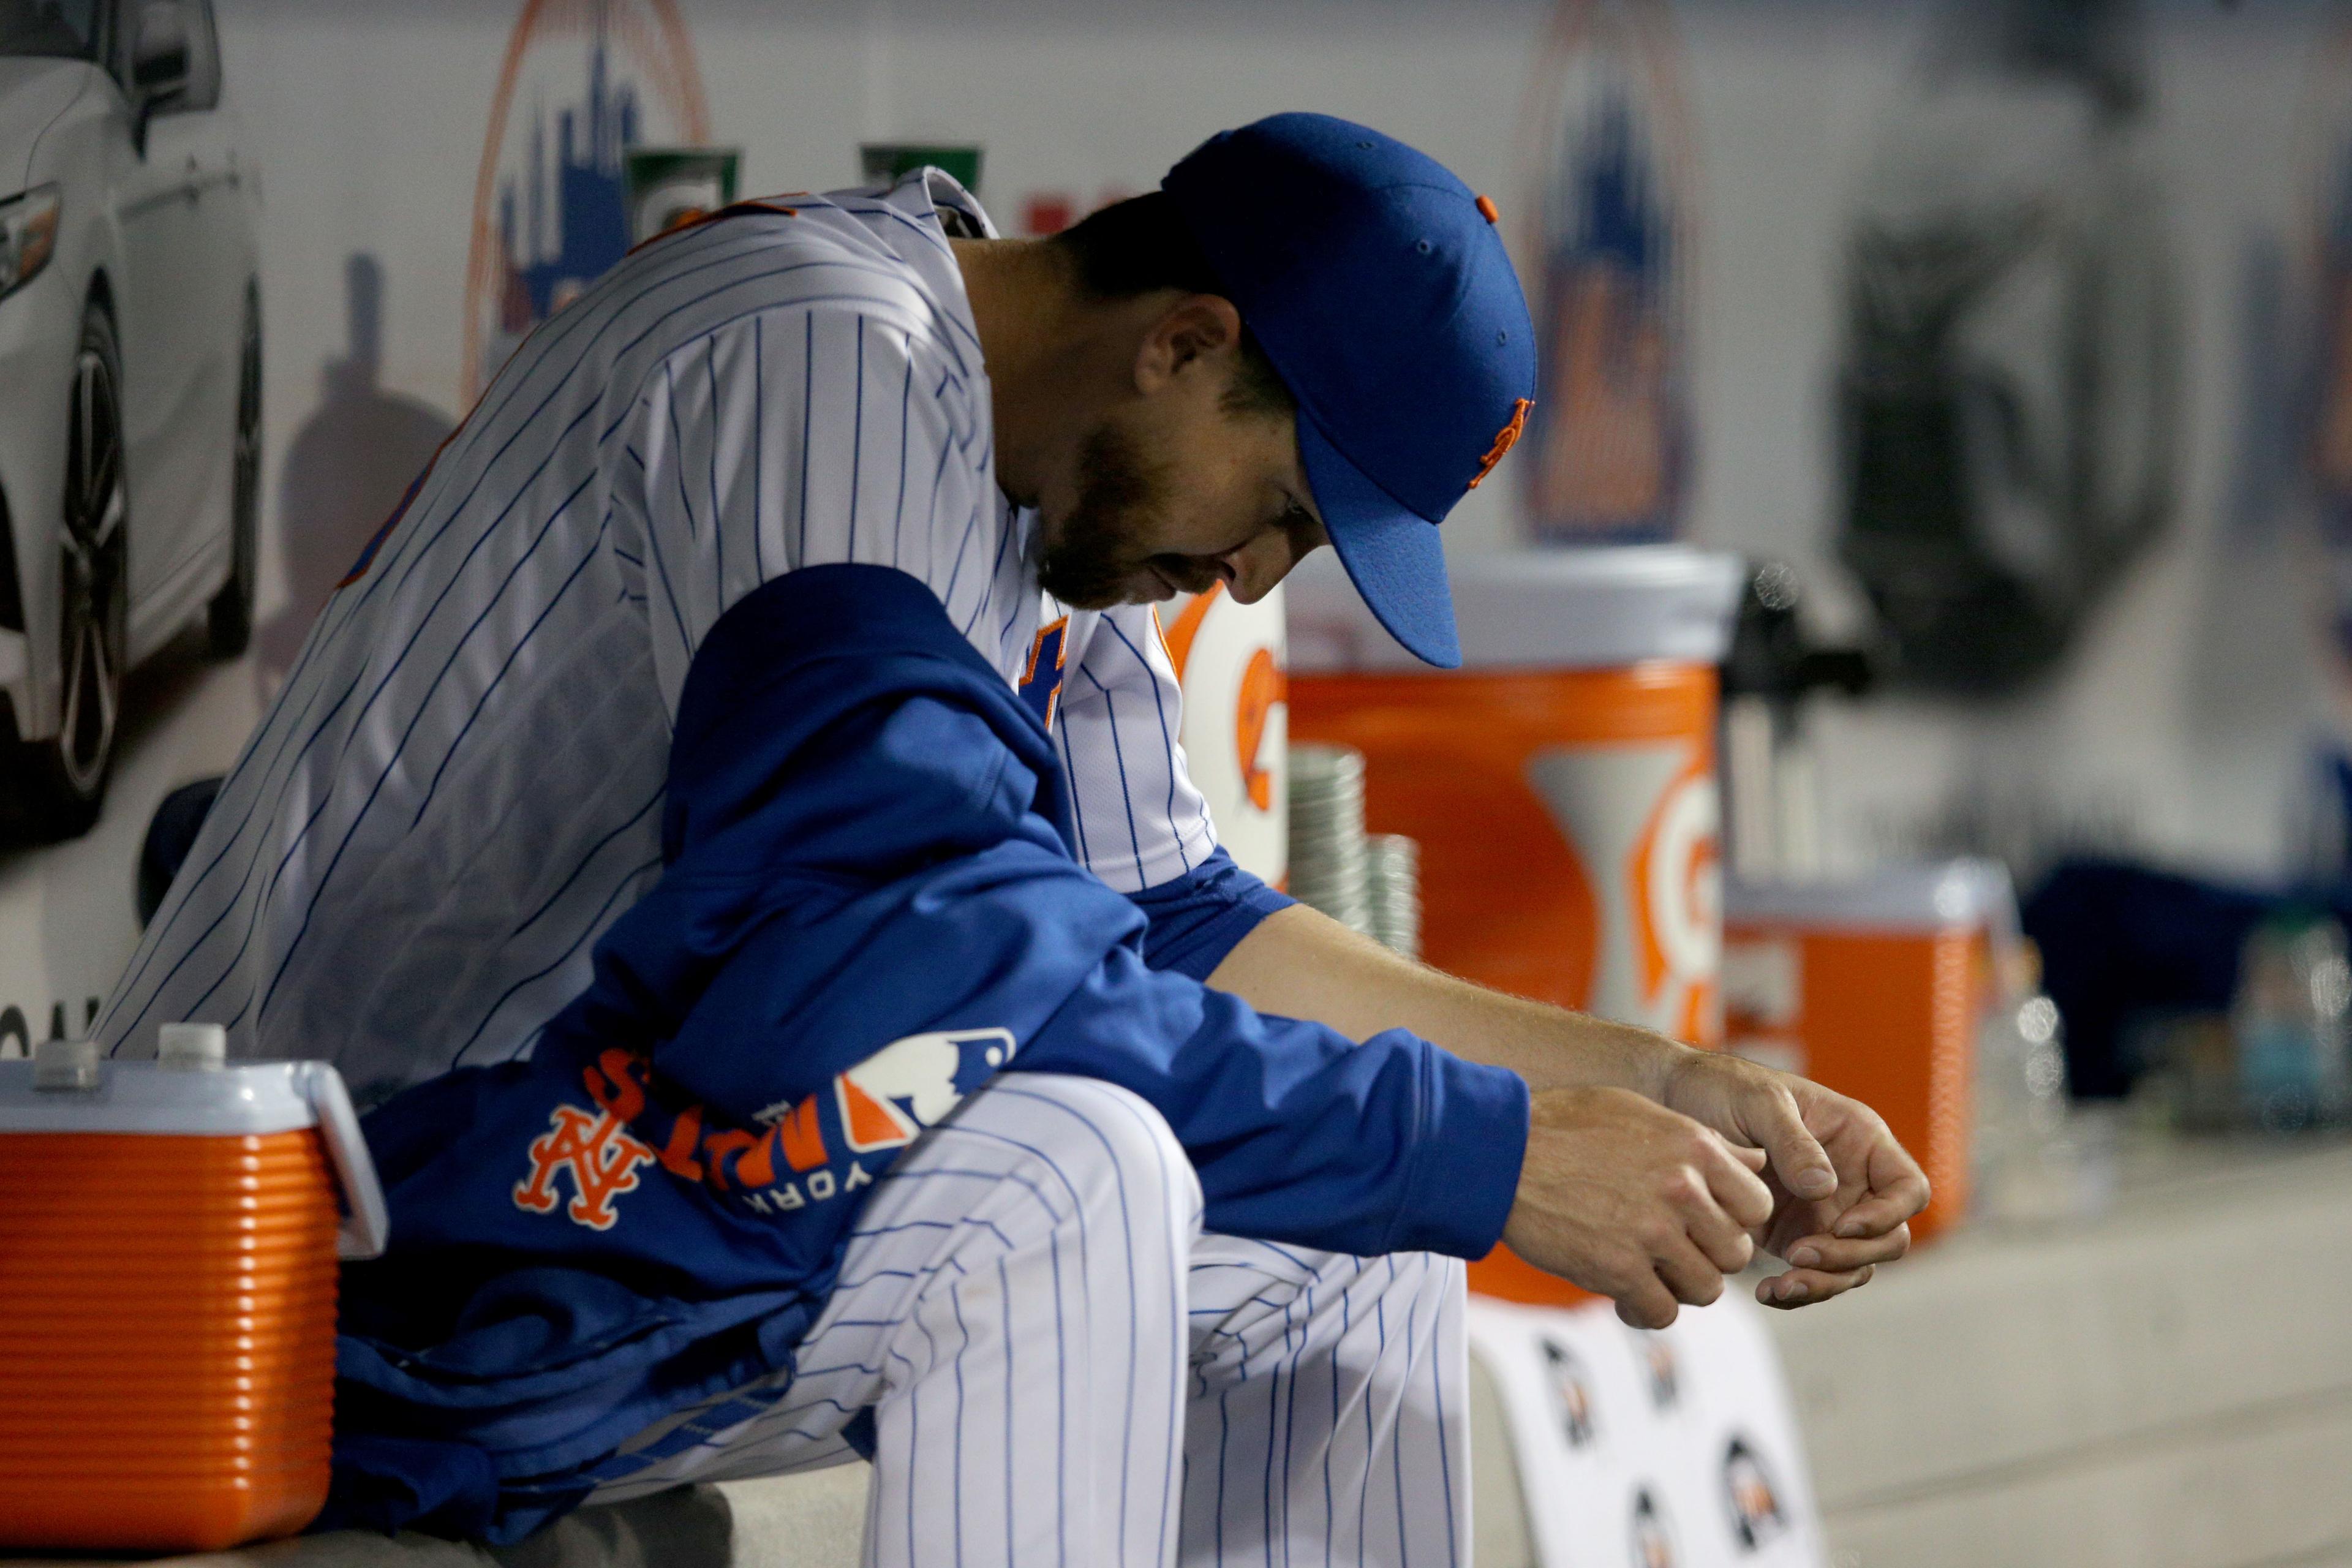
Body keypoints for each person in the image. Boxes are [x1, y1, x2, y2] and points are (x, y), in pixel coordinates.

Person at [99, 114, 1925, 1562]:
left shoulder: (1065, 485)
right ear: (1184, 344)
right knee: (1074, 1172)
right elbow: (896, 976)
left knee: (1350, 1242)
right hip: (308, 1248)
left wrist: (1664, 1089)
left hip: (623, 1210)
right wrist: (1494, 1143)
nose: (1256, 580)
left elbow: (1178, 922)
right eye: (1288, 510)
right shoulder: (824, 349)